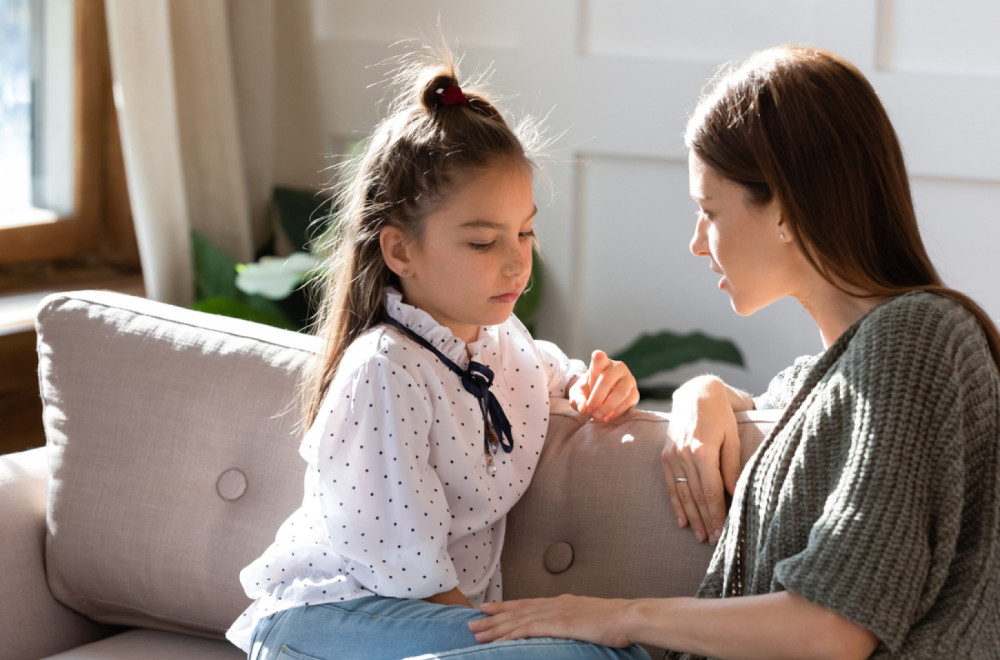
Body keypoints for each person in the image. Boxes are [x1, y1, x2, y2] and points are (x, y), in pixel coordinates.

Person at [469, 45, 1000, 659]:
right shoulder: (839, 373)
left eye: (708, 210)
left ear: (785, 209)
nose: (697, 243)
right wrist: (705, 392)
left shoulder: (919, 337)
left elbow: (834, 630)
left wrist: (617, 617)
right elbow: (794, 412)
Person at [225, 43, 647, 660]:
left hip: (422, 628)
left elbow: (559, 377)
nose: (516, 260)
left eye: (525, 232)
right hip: (324, 625)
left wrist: (601, 386)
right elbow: (408, 575)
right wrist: (496, 646)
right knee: (590, 656)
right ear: (400, 252)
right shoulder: (384, 370)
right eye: (482, 243)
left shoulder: (506, 347)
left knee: (610, 652)